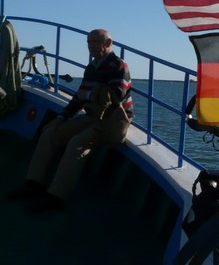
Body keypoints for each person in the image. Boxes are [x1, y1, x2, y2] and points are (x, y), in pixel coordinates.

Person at [5, 29, 133, 212]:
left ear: (108, 43)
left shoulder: (118, 66)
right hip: (92, 116)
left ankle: (55, 197)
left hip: (112, 122)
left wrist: (89, 94)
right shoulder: (92, 68)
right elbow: (78, 100)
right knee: (50, 132)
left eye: (95, 41)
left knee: (77, 144)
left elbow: (116, 98)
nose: (90, 45)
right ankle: (34, 183)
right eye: (88, 42)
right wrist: (59, 118)